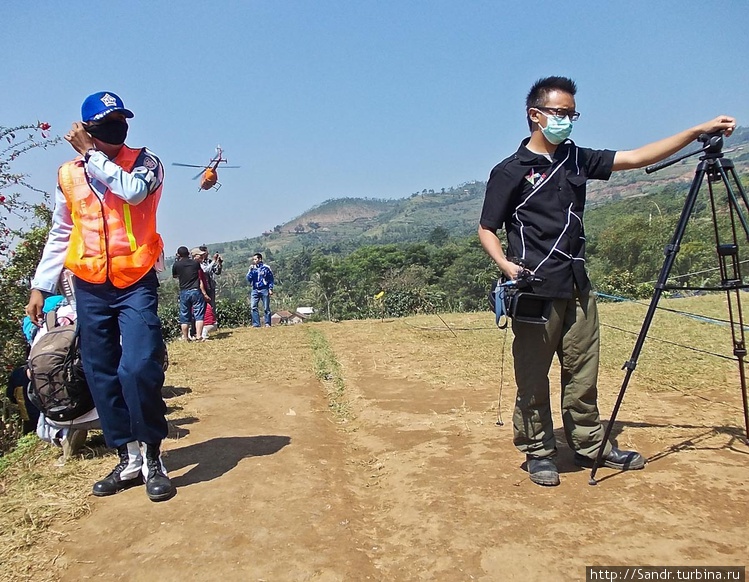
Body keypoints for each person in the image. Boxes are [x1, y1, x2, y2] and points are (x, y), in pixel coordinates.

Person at [477, 76, 736, 487]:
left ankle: (588, 444)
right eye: (560, 113)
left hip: (577, 285)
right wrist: (507, 267)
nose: (567, 120)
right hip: (533, 288)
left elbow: (634, 157)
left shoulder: (577, 159)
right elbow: (487, 228)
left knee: (583, 372)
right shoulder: (510, 171)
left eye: (571, 114)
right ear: (536, 115)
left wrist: (694, 131)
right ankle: (539, 451)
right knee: (532, 374)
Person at [25, 91, 175, 501]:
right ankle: (127, 457)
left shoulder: (146, 162)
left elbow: (133, 193)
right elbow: (61, 231)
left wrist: (94, 154)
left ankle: (153, 456)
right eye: (107, 121)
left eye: (121, 119)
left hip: (135, 280)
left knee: (140, 366)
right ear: (88, 127)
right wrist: (41, 284)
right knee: (99, 370)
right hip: (89, 284)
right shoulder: (68, 174)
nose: (118, 127)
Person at [172, 246, 207, 341]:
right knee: (199, 313)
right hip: (195, 290)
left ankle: (186, 337)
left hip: (184, 291)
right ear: (188, 253)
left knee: (184, 315)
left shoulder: (176, 265)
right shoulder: (195, 263)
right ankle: (199, 336)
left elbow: (175, 276)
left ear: (178, 254)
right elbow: (199, 273)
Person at [246, 252, 274, 327]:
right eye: (253, 259)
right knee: (253, 306)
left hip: (264, 289)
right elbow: (248, 279)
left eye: (255, 259)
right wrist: (250, 271)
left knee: (266, 307)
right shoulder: (252, 269)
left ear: (260, 259)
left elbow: (271, 279)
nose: (254, 261)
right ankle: (256, 324)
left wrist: (270, 288)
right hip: (255, 289)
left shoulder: (266, 267)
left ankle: (267, 323)